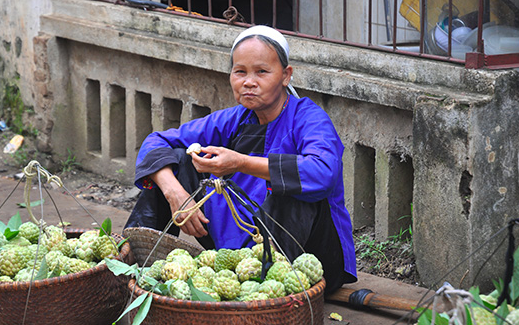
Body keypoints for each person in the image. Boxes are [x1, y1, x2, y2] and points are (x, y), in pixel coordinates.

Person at [125, 25, 357, 293]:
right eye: (240, 72)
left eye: (262, 72)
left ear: (286, 75)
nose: (249, 81)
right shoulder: (233, 119)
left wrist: (241, 163)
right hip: (239, 256)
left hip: (313, 259)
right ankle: (132, 269)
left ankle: (263, 292)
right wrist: (175, 192)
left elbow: (323, 172)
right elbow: (156, 141)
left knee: (292, 187)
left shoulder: (308, 118)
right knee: (176, 161)